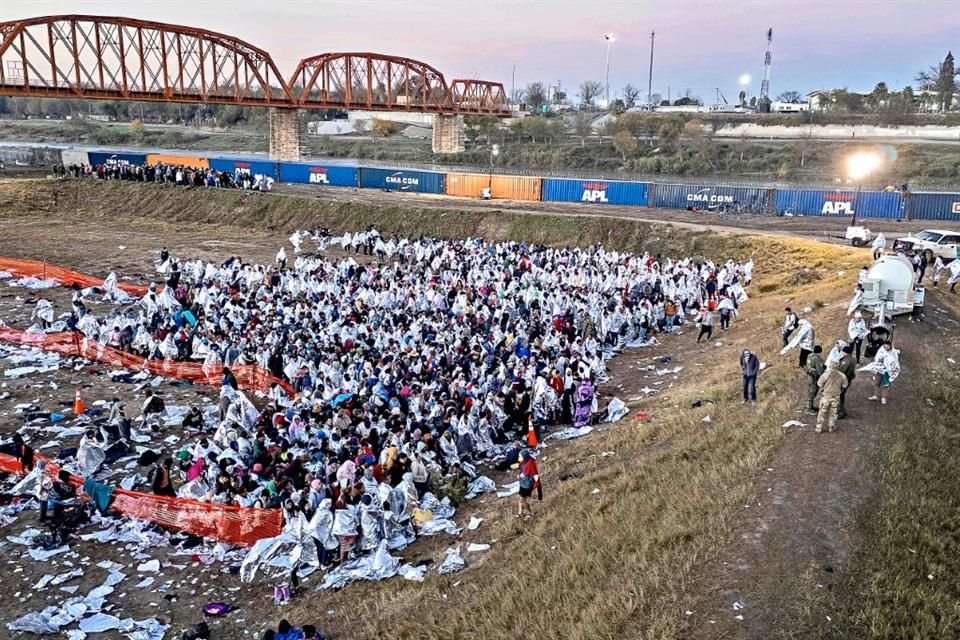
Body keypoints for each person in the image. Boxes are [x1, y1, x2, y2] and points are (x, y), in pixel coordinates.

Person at [816, 360, 849, 434]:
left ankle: (819, 427)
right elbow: (845, 385)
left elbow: (819, 384)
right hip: (836, 396)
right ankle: (831, 426)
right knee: (833, 412)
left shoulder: (825, 375)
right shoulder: (842, 375)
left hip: (826, 396)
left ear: (830, 366)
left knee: (822, 412)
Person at [868, 341, 900, 405]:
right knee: (877, 383)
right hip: (879, 369)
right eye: (885, 346)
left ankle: (883, 397)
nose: (886, 348)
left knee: (885, 384)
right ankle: (876, 395)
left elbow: (895, 362)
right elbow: (877, 358)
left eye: (887, 346)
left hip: (887, 371)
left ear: (890, 346)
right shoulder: (881, 350)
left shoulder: (893, 353)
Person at [517, 449, 542, 518]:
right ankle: (520, 513)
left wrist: (520, 476)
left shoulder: (530, 464)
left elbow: (526, 474)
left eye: (520, 456)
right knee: (520, 498)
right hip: (523, 483)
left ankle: (530, 513)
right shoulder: (524, 462)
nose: (519, 458)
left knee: (522, 500)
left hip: (527, 484)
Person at [836, 345, 857, 419]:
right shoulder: (853, 359)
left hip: (843, 380)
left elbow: (841, 371)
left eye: (842, 351)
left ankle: (841, 412)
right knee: (841, 395)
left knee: (838, 395)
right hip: (848, 380)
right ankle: (841, 410)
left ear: (845, 352)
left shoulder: (846, 361)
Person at [804, 345, 825, 415]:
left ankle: (810, 407)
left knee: (810, 391)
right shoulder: (817, 359)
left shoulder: (809, 355)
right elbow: (819, 371)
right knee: (812, 392)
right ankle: (808, 409)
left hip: (809, 376)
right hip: (814, 377)